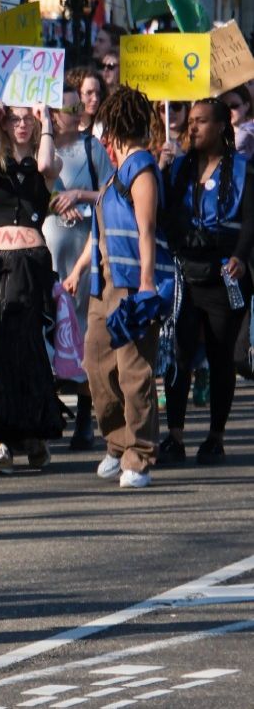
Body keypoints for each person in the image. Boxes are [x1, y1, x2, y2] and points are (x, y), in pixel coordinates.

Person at [64, 87, 173, 490]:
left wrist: (147, 284)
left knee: (133, 371)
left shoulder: (141, 166)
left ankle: (140, 455)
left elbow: (146, 229)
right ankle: (117, 440)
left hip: (132, 285)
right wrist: (80, 271)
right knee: (96, 363)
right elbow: (102, 230)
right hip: (103, 285)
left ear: (115, 127)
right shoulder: (116, 172)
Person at [159, 99, 253, 466]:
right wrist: (164, 170)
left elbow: (249, 222)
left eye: (201, 122)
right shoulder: (180, 167)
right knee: (179, 353)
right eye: (191, 121)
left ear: (220, 126)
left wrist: (241, 258)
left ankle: (216, 436)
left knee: (220, 356)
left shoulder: (243, 170)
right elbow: (164, 216)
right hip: (186, 273)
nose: (192, 128)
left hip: (223, 272)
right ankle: (175, 435)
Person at [0, 103, 63, 475]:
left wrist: (45, 122)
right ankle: (9, 438)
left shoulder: (47, 157)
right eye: (16, 118)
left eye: (27, 118)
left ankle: (29, 434)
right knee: (5, 348)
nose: (22, 124)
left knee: (26, 347)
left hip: (29, 266)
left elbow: (45, 167)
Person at [45, 88, 111, 450]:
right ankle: (49, 409)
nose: (65, 113)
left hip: (84, 255)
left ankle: (85, 417)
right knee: (50, 332)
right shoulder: (43, 148)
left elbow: (111, 193)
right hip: (52, 252)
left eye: (71, 106)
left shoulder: (92, 148)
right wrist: (55, 200)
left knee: (85, 333)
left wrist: (79, 196)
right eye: (59, 107)